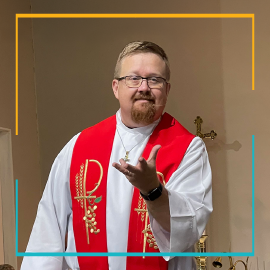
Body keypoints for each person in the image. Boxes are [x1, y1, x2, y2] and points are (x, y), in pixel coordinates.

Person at [21, 41, 212, 270]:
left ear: (167, 90)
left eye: (154, 79)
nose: (144, 87)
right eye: (133, 78)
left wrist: (154, 191)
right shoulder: (78, 148)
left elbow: (188, 230)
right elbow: (47, 234)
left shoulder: (188, 149)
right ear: (115, 87)